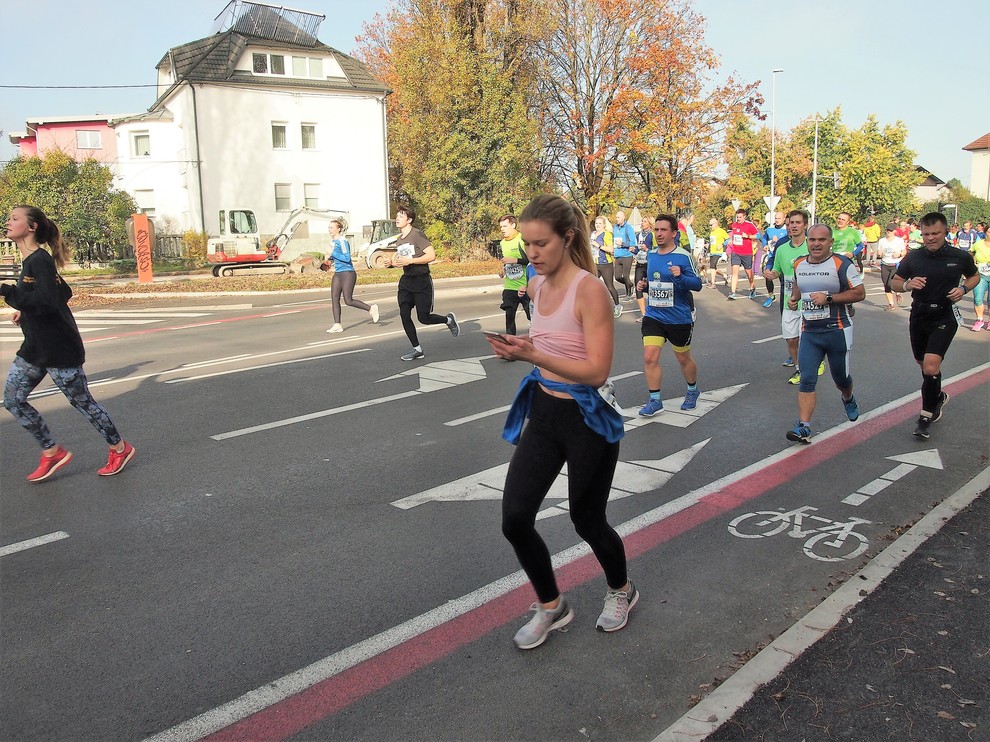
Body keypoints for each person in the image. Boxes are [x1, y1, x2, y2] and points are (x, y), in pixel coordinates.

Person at [487, 194, 635, 650]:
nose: (531, 253)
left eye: (540, 244)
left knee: (586, 520)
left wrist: (535, 353)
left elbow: (596, 371)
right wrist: (522, 346)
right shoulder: (536, 285)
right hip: (546, 413)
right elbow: (551, 340)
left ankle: (622, 591)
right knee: (515, 518)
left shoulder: (590, 290)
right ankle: (552, 606)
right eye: (527, 244)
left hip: (587, 417)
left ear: (567, 238)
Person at [2, 205, 136, 481]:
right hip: (35, 349)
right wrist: (25, 311)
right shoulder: (31, 261)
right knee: (13, 400)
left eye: (14, 218)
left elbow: (49, 301)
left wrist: (8, 293)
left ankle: (119, 448)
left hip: (60, 350)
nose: (8, 221)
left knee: (83, 403)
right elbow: (63, 291)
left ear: (31, 227)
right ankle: (52, 452)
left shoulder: (39, 260)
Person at [891, 212, 979, 439]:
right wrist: (909, 284)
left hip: (944, 315)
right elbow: (895, 282)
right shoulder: (914, 257)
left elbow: (974, 277)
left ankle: (925, 417)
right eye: (926, 234)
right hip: (919, 315)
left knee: (930, 366)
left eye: (935, 233)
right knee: (923, 364)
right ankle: (937, 396)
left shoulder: (959, 256)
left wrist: (963, 289)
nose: (930, 238)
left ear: (946, 232)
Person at [784, 224, 866, 444]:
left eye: (822, 240)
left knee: (841, 378)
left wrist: (830, 298)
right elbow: (799, 287)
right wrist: (794, 299)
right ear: (807, 241)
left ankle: (847, 397)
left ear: (830, 242)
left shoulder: (842, 264)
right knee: (807, 379)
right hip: (810, 331)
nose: (816, 244)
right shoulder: (799, 263)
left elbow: (860, 293)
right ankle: (804, 427)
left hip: (838, 330)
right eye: (812, 240)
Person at [635, 215, 704, 415]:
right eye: (656, 230)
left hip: (679, 317)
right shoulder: (652, 255)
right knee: (649, 357)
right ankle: (655, 399)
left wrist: (681, 277)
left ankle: (692, 390)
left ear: (674, 233)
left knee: (683, 358)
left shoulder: (684, 256)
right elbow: (656, 283)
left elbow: (697, 285)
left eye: (663, 230)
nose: (658, 234)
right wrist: (645, 286)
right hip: (654, 315)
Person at [387, 206, 459, 361]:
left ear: (409, 220)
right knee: (404, 314)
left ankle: (448, 320)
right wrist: (391, 263)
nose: (397, 218)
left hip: (422, 281)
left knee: (424, 318)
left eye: (401, 216)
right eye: (397, 216)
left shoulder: (417, 234)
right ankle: (417, 349)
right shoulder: (400, 239)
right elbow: (402, 259)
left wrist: (410, 261)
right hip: (406, 282)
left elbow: (431, 255)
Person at [763, 209, 810, 384]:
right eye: (791, 223)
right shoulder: (782, 249)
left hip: (809, 302)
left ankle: (808, 367)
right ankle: (799, 367)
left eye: (798, 223)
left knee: (807, 339)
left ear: (805, 225)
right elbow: (778, 270)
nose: (794, 226)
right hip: (789, 301)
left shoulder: (811, 246)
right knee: (791, 339)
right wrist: (771, 274)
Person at [324, 218, 379, 333]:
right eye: (329, 228)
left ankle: (371, 309)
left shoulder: (342, 241)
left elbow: (347, 258)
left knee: (348, 300)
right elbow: (334, 257)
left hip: (348, 273)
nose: (329, 230)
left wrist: (333, 253)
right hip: (338, 273)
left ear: (338, 229)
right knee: (334, 298)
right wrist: (328, 262)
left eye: (331, 228)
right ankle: (337, 324)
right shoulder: (333, 243)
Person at [496, 215, 531, 336]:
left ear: (513, 225)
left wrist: (515, 260)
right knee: (509, 315)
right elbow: (507, 261)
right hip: (510, 286)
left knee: (531, 316)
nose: (502, 229)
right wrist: (503, 270)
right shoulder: (502, 243)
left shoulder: (522, 239)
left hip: (525, 286)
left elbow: (531, 260)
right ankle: (510, 343)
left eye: (505, 226)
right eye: (501, 227)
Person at [591, 215, 622, 317]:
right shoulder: (593, 234)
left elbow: (611, 249)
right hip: (595, 263)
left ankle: (617, 305)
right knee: (591, 286)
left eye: (600, 223)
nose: (598, 225)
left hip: (605, 263)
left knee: (609, 286)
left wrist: (599, 245)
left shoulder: (607, 234)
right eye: (596, 223)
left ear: (604, 225)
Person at [727, 208, 758, 299]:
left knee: (748, 273)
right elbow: (734, 236)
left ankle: (752, 288)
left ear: (745, 217)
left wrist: (748, 236)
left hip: (747, 253)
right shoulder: (734, 225)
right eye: (737, 217)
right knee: (734, 272)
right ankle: (733, 292)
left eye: (740, 217)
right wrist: (731, 240)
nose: (738, 219)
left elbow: (758, 235)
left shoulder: (749, 225)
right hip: (736, 252)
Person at [760, 211, 787, 307]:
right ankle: (771, 296)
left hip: (783, 258)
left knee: (783, 280)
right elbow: (763, 238)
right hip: (772, 257)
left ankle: (785, 299)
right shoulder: (770, 229)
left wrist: (778, 241)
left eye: (779, 218)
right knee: (768, 275)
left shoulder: (787, 229)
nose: (777, 220)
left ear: (784, 218)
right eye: (776, 218)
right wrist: (765, 245)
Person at [876, 223, 906, 311]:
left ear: (895, 231)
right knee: (886, 285)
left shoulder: (899, 241)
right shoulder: (882, 241)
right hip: (885, 264)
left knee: (890, 283)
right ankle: (891, 304)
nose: (888, 232)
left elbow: (904, 252)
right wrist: (880, 253)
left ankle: (898, 292)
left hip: (895, 264)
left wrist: (899, 254)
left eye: (891, 230)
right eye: (887, 230)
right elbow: (879, 251)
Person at [630, 216, 654, 321]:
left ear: (650, 223)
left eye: (645, 221)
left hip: (650, 263)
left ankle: (653, 311)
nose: (642, 223)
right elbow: (637, 249)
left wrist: (647, 249)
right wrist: (633, 250)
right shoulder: (638, 235)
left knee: (651, 288)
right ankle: (644, 314)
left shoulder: (652, 235)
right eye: (642, 221)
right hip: (640, 263)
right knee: (638, 288)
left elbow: (656, 250)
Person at [612, 210, 637, 302]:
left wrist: (622, 243)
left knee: (626, 276)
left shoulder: (628, 228)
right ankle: (630, 284)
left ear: (623, 218)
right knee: (617, 277)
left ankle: (628, 293)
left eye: (618, 217)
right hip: (617, 255)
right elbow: (613, 239)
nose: (616, 219)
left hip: (627, 255)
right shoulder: (615, 227)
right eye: (616, 217)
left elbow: (633, 243)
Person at [969, 233, 990, 331]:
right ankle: (979, 320)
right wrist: (973, 264)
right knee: (978, 298)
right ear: (986, 232)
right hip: (980, 274)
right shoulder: (978, 244)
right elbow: (970, 255)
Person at [707, 218, 729, 287]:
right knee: (714, 268)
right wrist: (708, 246)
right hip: (712, 252)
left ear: (716, 224)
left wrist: (722, 245)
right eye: (709, 225)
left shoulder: (721, 231)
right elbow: (712, 242)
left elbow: (728, 239)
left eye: (711, 225)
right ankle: (725, 275)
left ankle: (713, 283)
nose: (710, 227)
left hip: (718, 252)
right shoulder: (712, 232)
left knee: (712, 267)